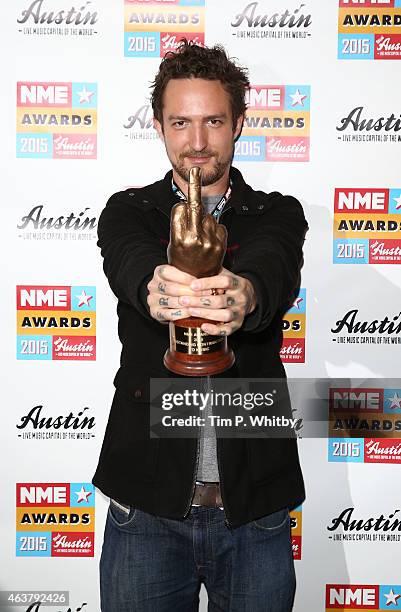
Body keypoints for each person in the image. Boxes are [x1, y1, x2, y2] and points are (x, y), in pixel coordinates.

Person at [93, 40, 308, 612]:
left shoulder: (277, 213)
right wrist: (157, 289)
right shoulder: (128, 210)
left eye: (213, 121)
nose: (196, 142)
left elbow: (273, 266)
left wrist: (244, 296)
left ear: (238, 123)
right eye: (180, 122)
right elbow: (129, 260)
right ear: (160, 127)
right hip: (145, 508)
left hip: (255, 510)